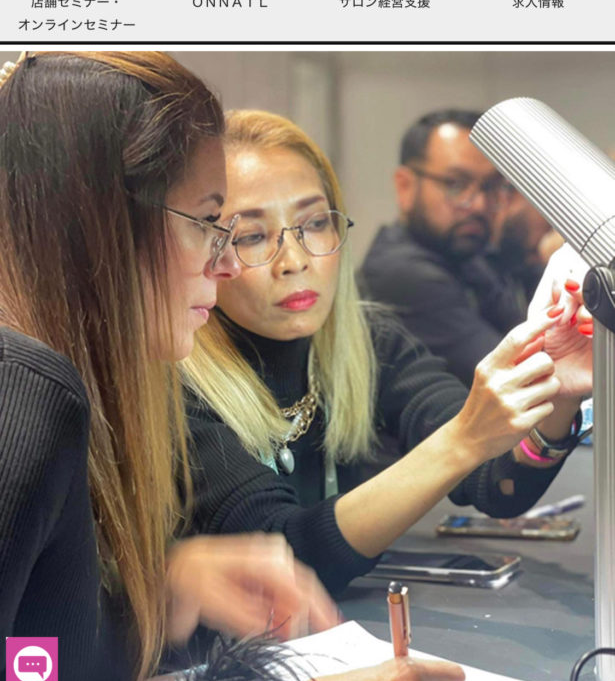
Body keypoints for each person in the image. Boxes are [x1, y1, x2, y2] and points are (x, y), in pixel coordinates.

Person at [0, 52, 466, 681]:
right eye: (209, 225)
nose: (223, 266)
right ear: (100, 225)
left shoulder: (58, 387)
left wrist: (164, 598)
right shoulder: (21, 391)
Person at [181, 109, 592, 597]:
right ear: (207, 248)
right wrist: (464, 438)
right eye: (251, 236)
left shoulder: (369, 340)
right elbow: (284, 558)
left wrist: (558, 394)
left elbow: (496, 484)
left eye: (315, 224)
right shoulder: (178, 380)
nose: (294, 261)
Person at [359, 109, 529, 386]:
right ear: (405, 187)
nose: (479, 205)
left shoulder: (465, 256)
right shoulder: (401, 273)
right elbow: (517, 373)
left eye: (491, 187)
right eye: (456, 184)